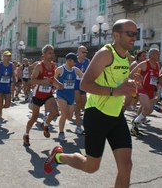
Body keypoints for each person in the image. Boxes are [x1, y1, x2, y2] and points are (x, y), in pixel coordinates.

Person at [44, 19, 140, 188]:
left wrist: (130, 83)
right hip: (97, 115)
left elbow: (118, 82)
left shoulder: (128, 58)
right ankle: (58, 157)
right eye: (130, 33)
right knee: (91, 166)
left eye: (136, 34)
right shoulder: (105, 54)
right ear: (116, 35)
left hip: (116, 116)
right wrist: (115, 91)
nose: (134, 37)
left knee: (126, 166)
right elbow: (85, 84)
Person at [23, 44, 63, 146]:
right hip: (38, 94)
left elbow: (52, 78)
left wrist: (58, 84)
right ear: (44, 54)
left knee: (55, 112)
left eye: (52, 53)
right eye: (49, 53)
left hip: (48, 94)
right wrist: (44, 80)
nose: (52, 55)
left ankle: (45, 124)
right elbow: (32, 80)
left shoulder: (53, 65)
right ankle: (26, 134)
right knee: (34, 117)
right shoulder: (39, 66)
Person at [129, 48, 160, 137]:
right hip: (142, 89)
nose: (159, 56)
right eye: (157, 54)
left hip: (150, 90)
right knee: (149, 109)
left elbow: (156, 78)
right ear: (152, 55)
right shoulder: (144, 64)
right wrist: (137, 83)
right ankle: (135, 123)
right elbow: (131, 74)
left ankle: (135, 124)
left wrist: (161, 80)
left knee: (145, 109)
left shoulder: (157, 65)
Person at [55, 52, 83, 141]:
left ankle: (62, 125)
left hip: (71, 96)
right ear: (68, 60)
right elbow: (53, 79)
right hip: (61, 94)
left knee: (70, 116)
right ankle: (61, 133)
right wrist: (57, 85)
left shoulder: (75, 70)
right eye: (74, 61)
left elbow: (84, 76)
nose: (75, 63)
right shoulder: (60, 69)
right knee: (64, 114)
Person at [0, 50, 15, 126]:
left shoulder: (11, 65)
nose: (8, 57)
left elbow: (13, 75)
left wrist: (15, 84)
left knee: (8, 105)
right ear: (3, 57)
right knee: (0, 104)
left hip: (7, 87)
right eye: (7, 56)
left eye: (9, 56)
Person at [74, 45, 89, 135]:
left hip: (83, 84)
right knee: (78, 103)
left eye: (85, 52)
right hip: (75, 84)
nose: (84, 54)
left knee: (83, 104)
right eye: (83, 52)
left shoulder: (87, 61)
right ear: (78, 52)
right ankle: (78, 126)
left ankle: (75, 111)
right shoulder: (74, 61)